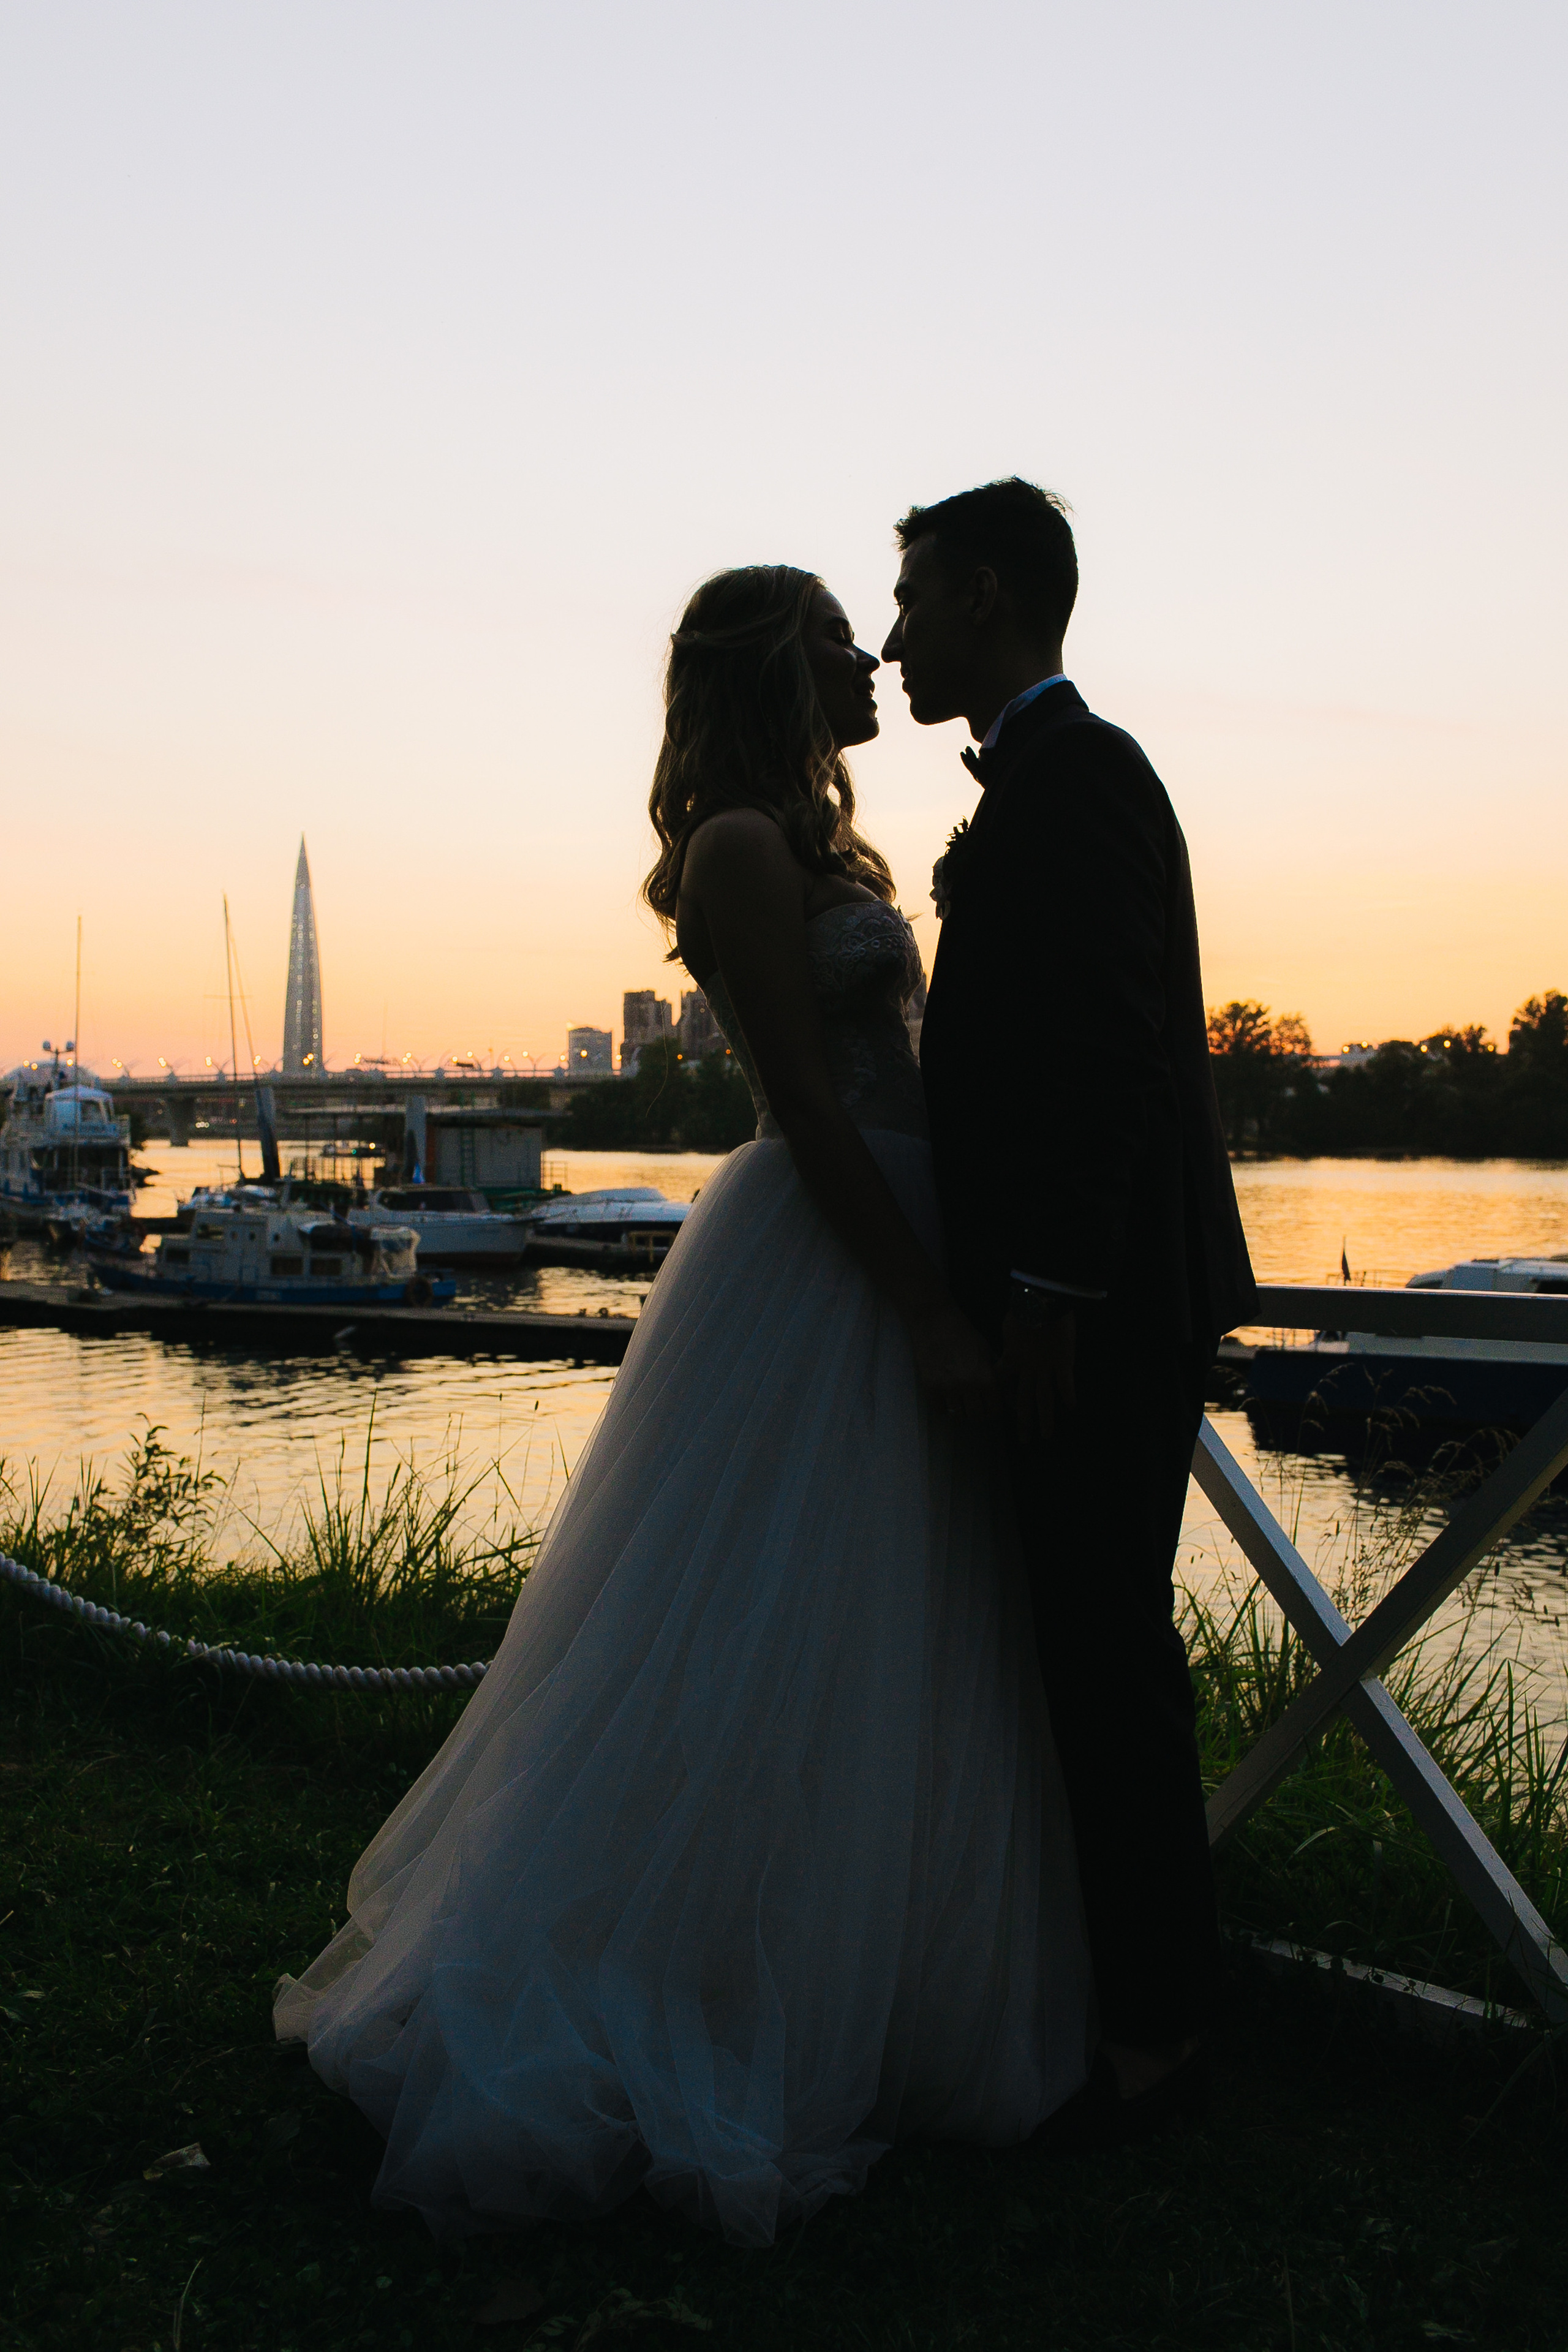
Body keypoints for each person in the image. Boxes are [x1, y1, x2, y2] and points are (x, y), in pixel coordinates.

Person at [275, 564, 1092, 2247]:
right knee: (747, 1628)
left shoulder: (807, 842)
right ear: (766, 672)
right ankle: (668, 1985)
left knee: (871, 1635)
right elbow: (805, 1102)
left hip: (893, 1226)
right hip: (830, 1258)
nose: (868, 661)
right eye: (828, 646)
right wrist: (926, 1304)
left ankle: (835, 1966)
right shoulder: (735, 847)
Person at [883, 480, 1256, 2141]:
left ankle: (1161, 2041)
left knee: (1109, 1658)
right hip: (1073, 1307)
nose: (893, 639)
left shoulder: (1083, 778)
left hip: (1091, 1321)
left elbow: (1109, 1057)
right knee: (1080, 1649)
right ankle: (1119, 2000)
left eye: (909, 601)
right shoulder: (1042, 780)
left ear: (982, 594)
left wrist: (1046, 1291)